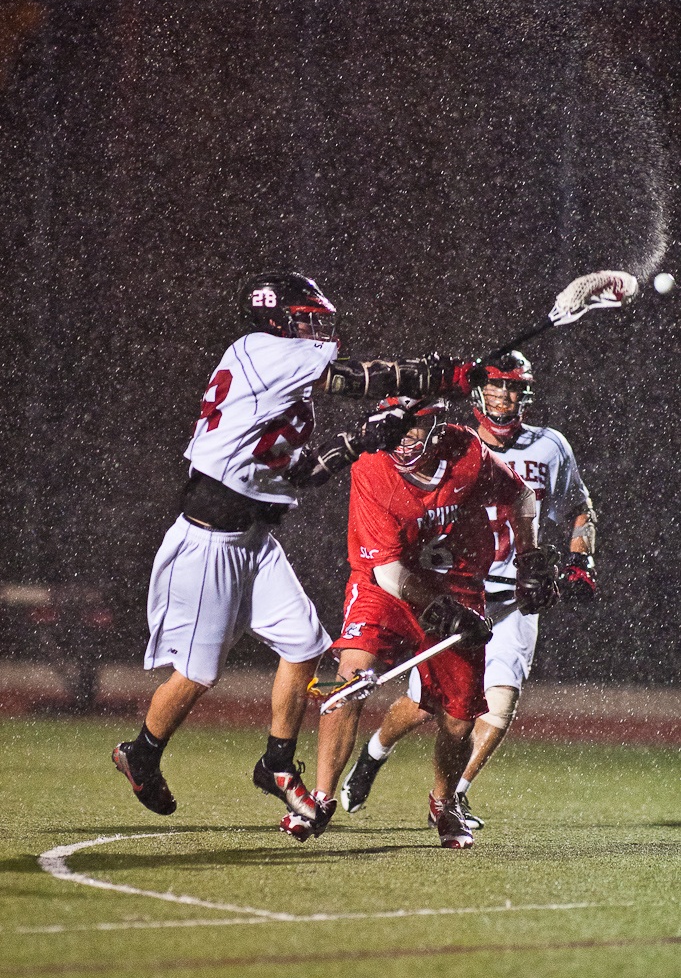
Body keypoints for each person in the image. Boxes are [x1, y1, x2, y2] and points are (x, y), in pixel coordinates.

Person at [111, 270, 484, 827]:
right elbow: (354, 379)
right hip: (210, 537)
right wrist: (437, 375)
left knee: (305, 641)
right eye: (306, 319)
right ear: (277, 319)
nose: (315, 329)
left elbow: (305, 472)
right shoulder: (263, 349)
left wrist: (362, 440)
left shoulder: (281, 384)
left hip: (254, 537)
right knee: (198, 673)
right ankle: (141, 751)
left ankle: (277, 765)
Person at [279, 396, 559, 848]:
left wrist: (529, 554)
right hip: (384, 585)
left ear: (435, 429)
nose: (403, 443)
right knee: (349, 681)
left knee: (459, 718)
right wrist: (445, 613)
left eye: (412, 432)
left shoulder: (465, 451)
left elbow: (521, 494)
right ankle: (321, 798)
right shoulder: (371, 465)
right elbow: (389, 571)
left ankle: (444, 802)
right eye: (396, 432)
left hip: (457, 582)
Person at [340, 350, 596, 831]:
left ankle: (452, 795)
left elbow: (579, 507)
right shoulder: (452, 443)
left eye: (514, 387)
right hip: (457, 586)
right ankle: (374, 755)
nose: (505, 395)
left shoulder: (549, 446)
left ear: (527, 393)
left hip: (515, 589)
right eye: (497, 385)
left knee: (499, 699)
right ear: (478, 390)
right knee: (424, 704)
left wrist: (578, 558)